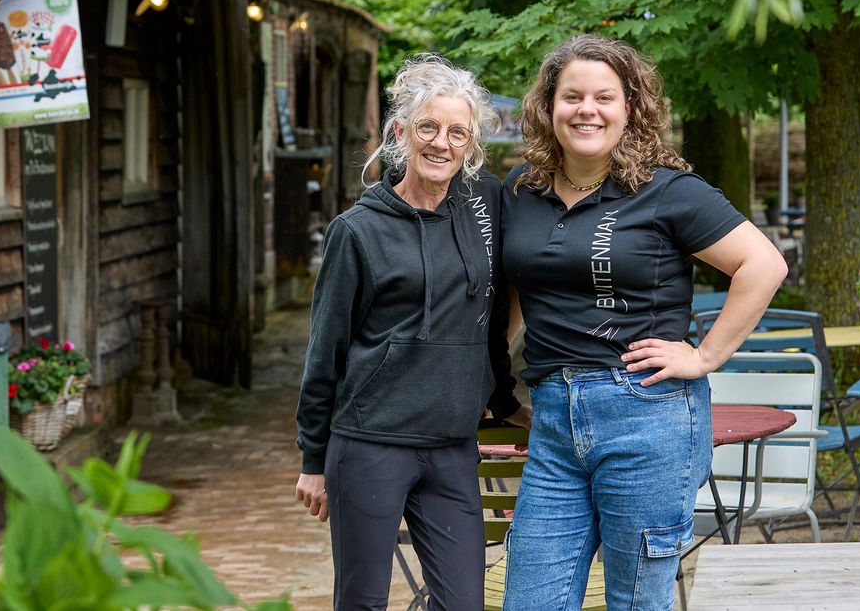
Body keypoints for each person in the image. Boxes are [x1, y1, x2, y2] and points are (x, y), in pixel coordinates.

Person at [499, 35, 788, 611]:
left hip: (646, 414)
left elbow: (763, 265)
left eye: (604, 97)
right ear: (548, 106)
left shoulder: (667, 190)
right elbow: (518, 290)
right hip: (553, 417)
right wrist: (491, 378)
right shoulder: (521, 188)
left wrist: (704, 356)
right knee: (530, 599)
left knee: (635, 602)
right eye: (571, 96)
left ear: (630, 106)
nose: (586, 110)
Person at [295, 54, 532, 611]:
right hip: (370, 442)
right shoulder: (357, 231)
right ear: (400, 132)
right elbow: (325, 348)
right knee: (363, 602)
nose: (441, 143)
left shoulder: (485, 206)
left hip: (451, 447)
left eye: (457, 132)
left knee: (463, 603)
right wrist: (313, 459)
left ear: (471, 145)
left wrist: (499, 396)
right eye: (428, 127)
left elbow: (493, 312)